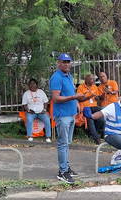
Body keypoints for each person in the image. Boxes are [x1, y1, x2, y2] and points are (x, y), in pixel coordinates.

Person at [49, 53, 85, 184]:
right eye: (64, 62)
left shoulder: (68, 75)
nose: (67, 64)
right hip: (62, 115)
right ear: (59, 62)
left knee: (67, 142)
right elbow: (56, 98)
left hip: (70, 114)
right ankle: (62, 171)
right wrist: (73, 98)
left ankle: (66, 166)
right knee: (63, 143)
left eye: (68, 62)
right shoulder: (56, 78)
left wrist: (75, 102)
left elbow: (71, 92)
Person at [76, 74, 105, 144]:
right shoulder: (81, 87)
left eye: (93, 79)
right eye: (91, 79)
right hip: (86, 107)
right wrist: (88, 97)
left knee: (101, 119)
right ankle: (96, 138)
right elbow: (79, 99)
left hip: (95, 106)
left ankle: (91, 133)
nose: (93, 80)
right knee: (90, 119)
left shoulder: (94, 87)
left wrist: (97, 98)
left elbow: (98, 97)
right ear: (87, 80)